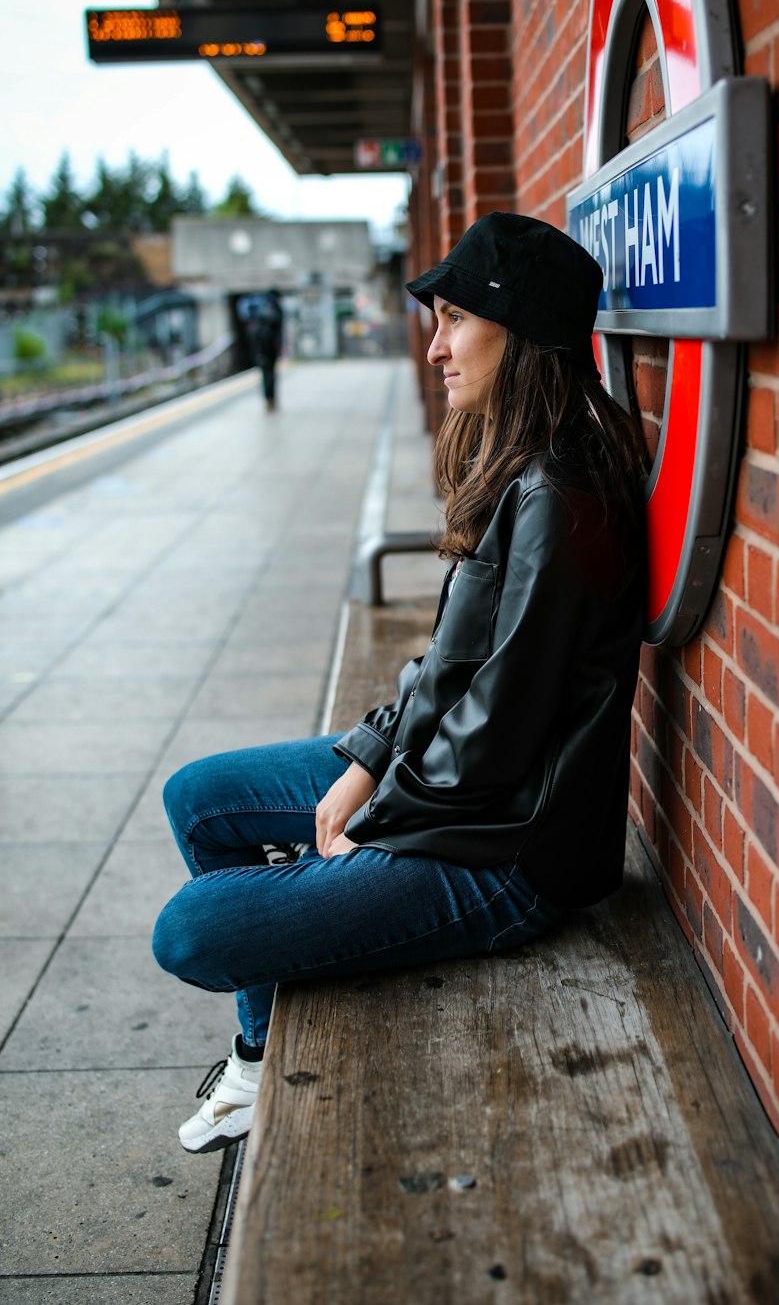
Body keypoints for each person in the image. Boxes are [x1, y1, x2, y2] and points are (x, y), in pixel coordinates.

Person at [153, 211, 648, 1154]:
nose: (435, 349)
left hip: (509, 854)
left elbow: (493, 743)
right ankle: (261, 1059)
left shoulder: (561, 498)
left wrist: (368, 823)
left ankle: (262, 1041)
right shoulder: (525, 469)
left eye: (455, 320)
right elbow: (453, 669)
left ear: (525, 330)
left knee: (191, 932)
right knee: (202, 800)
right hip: (461, 800)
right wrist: (369, 757)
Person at [237, 289, 283, 408]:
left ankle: (268, 398)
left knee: (265, 372)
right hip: (271, 346)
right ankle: (271, 398)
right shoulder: (276, 308)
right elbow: (279, 330)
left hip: (261, 346)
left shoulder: (260, 310)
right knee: (271, 373)